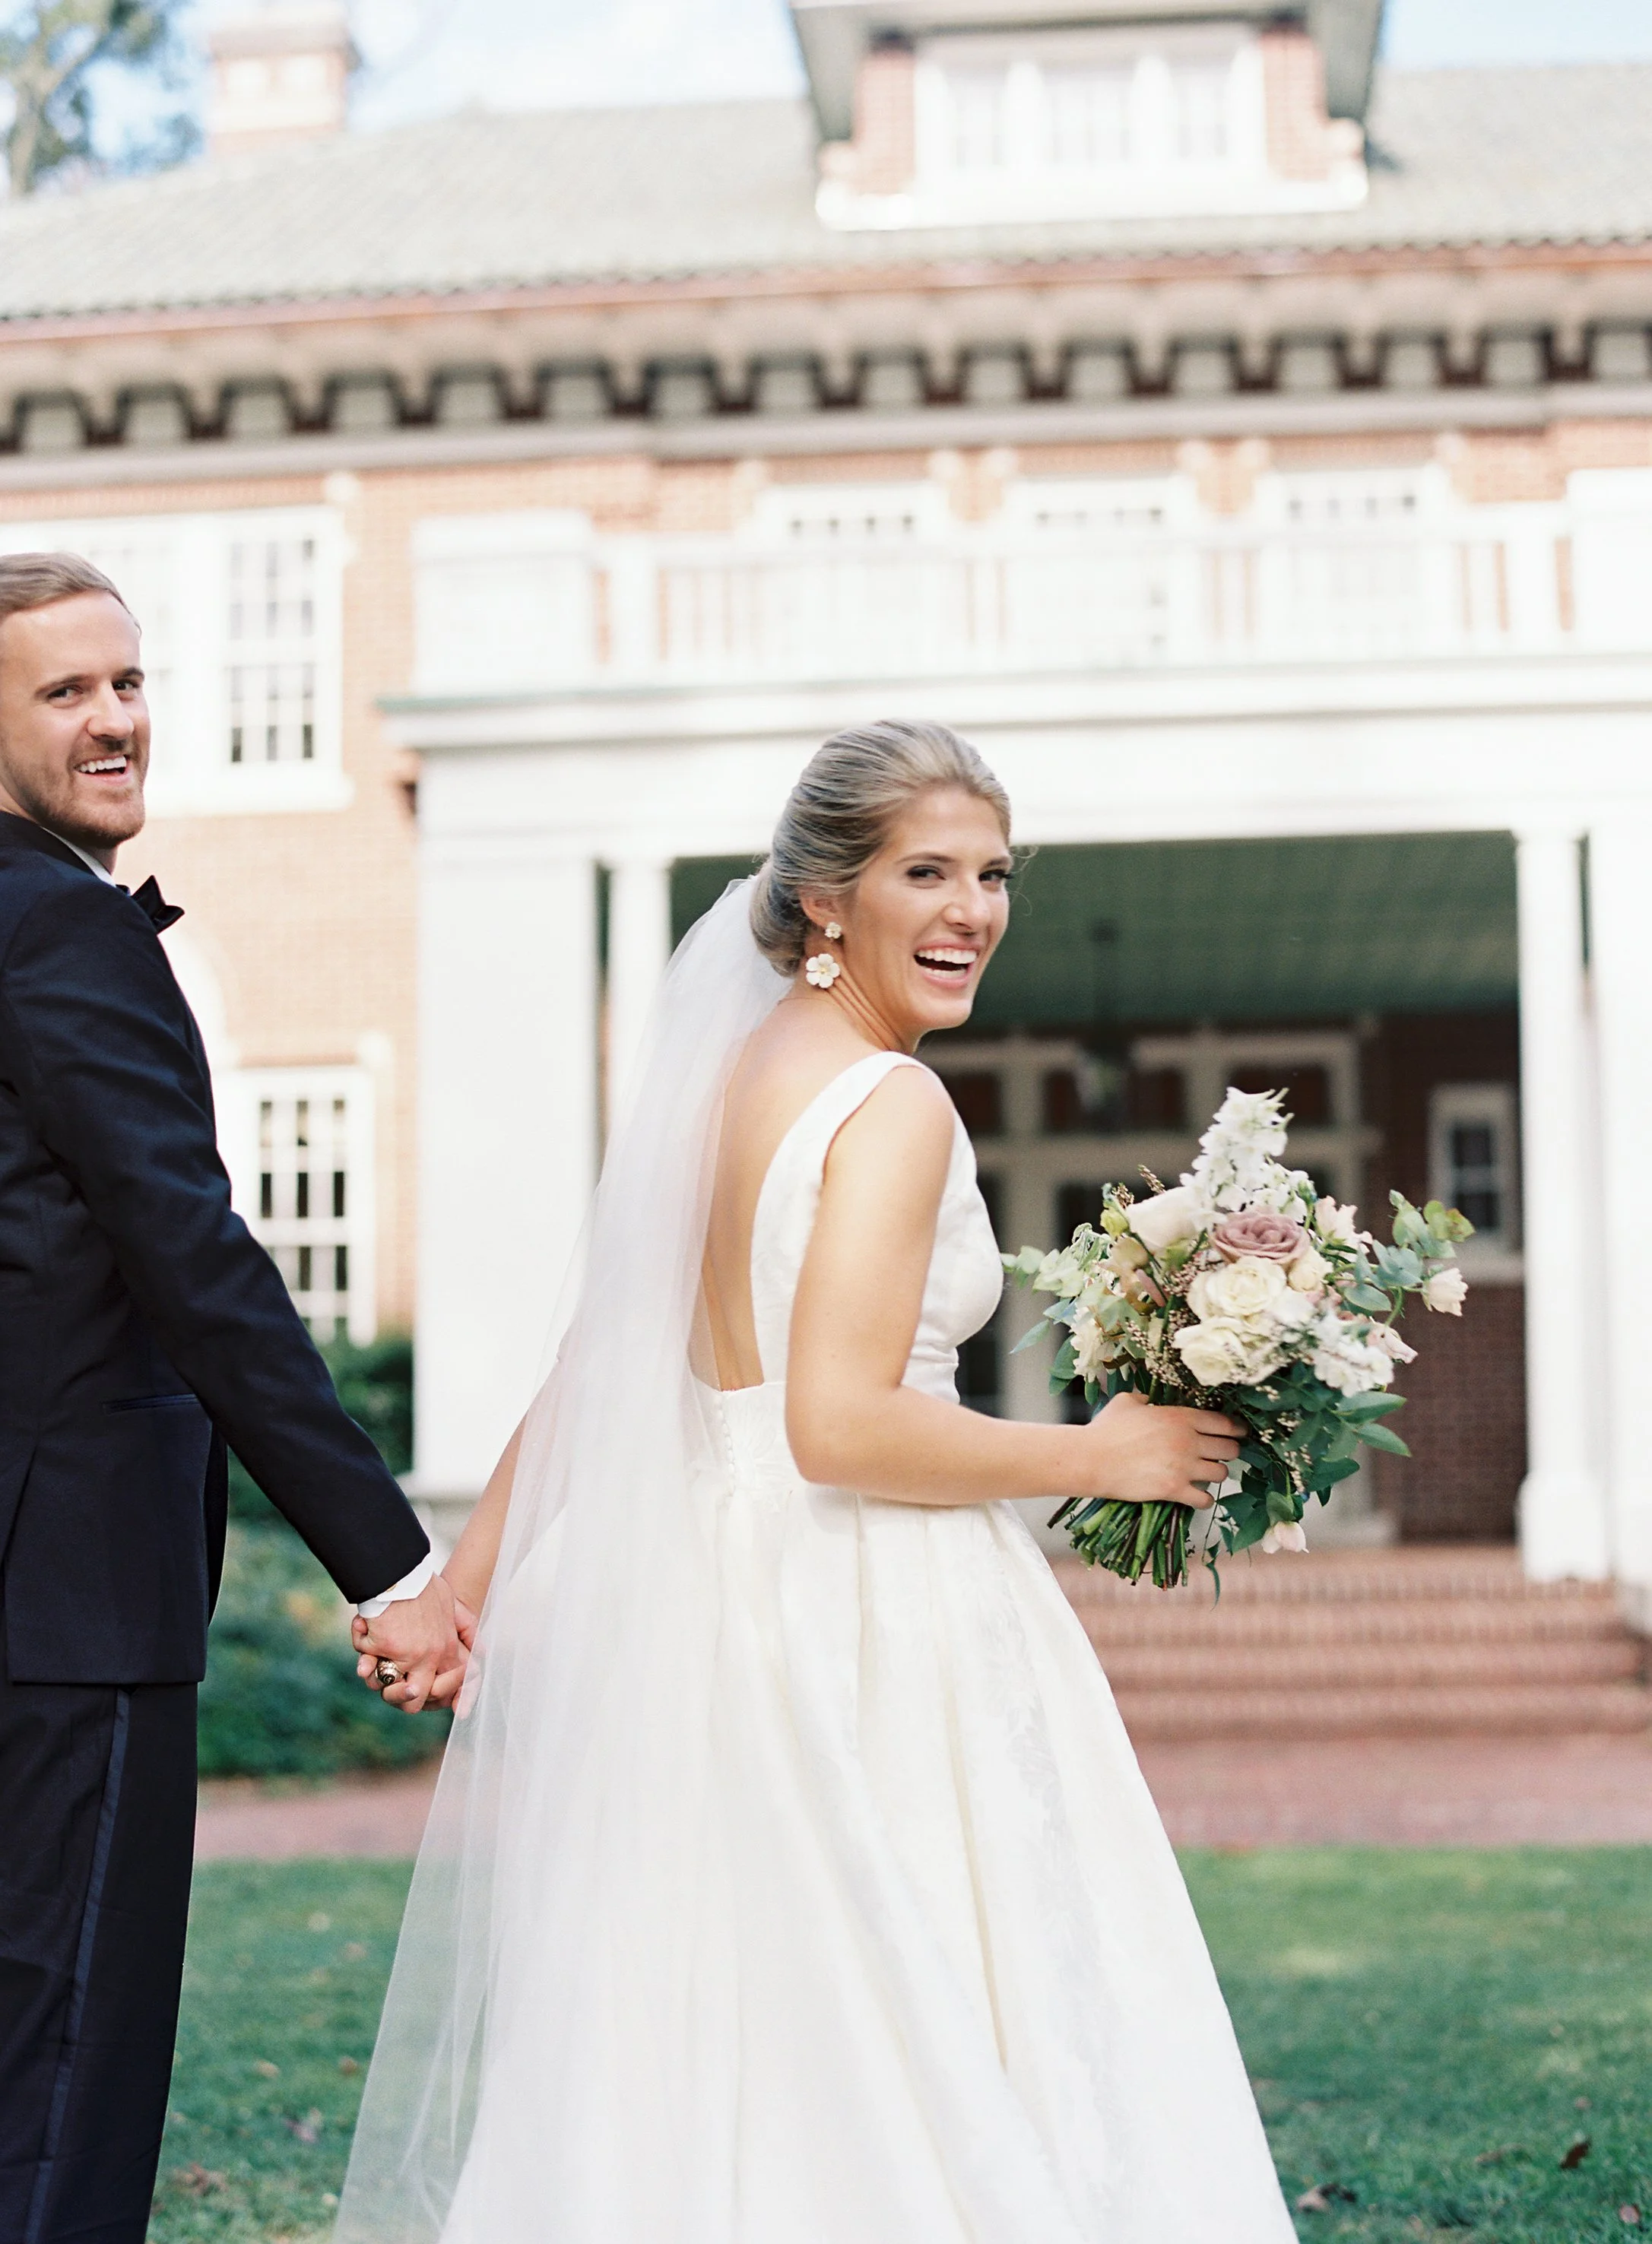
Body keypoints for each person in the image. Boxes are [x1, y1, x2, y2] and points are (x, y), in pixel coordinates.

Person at [339, 720, 1295, 2242]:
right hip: (869, 1604)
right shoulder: (892, 1102)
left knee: (713, 2017)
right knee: (920, 1996)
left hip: (707, 1617)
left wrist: (463, 1585)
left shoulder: (729, 1080)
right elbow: (837, 1425)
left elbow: (609, 1358)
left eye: (991, 874)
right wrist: (1097, 1455)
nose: (972, 908)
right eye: (927, 871)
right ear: (828, 899)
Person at [0, 553, 468, 2244]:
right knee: (61, 2075)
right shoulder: (53, 928)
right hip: (68, 1604)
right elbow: (194, 1263)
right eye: (67, 691)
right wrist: (393, 1564)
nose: (117, 718)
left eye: (130, 684)